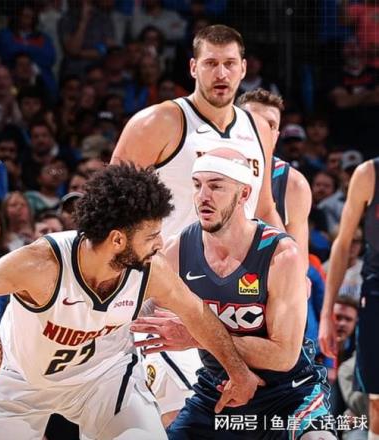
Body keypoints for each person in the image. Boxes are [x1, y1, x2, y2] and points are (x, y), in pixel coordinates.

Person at [0, 164, 263, 440]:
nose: (160, 244)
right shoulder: (41, 264)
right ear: (117, 240)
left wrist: (238, 371)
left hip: (104, 381)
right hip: (20, 383)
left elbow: (197, 313)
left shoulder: (150, 270)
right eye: (152, 236)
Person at [111, 25, 282, 423]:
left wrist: (289, 267)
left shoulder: (257, 128)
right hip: (170, 295)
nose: (221, 74)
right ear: (193, 67)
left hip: (239, 297)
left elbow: (265, 208)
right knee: (181, 414)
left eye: (229, 64)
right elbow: (110, 205)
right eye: (210, 63)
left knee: (236, 416)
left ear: (244, 69)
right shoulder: (158, 122)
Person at [133, 149, 336, 439]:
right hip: (217, 391)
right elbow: (134, 307)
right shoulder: (179, 248)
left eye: (216, 186)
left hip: (287, 396)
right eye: (197, 185)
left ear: (243, 194)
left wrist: (197, 335)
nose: (203, 196)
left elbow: (283, 356)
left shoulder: (281, 254)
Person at [319, 157, 379, 439]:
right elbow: (342, 244)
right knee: (376, 404)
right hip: (375, 295)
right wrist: (326, 314)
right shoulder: (369, 174)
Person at [237, 88, 312, 262]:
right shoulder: (207, 167)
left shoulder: (293, 184)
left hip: (265, 274)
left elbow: (298, 264)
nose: (262, 130)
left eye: (270, 125)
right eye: (253, 122)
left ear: (277, 136)